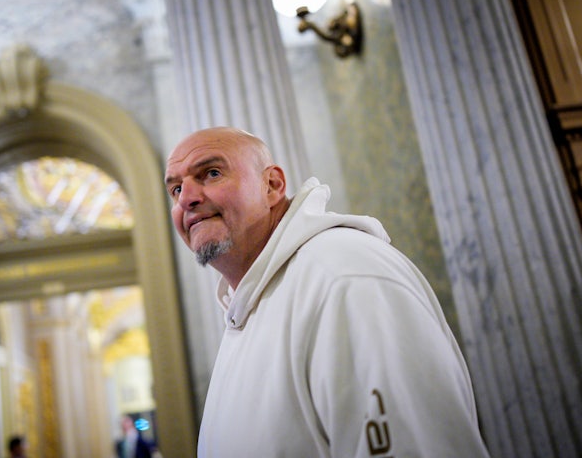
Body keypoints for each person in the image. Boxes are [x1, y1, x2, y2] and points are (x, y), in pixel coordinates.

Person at [164, 127, 491, 457]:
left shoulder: (342, 276)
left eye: (212, 173)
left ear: (272, 185)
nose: (187, 199)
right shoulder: (252, 302)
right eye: (176, 189)